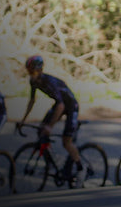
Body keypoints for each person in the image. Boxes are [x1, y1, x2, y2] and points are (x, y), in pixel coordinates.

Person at [16, 55, 85, 185]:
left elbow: (61, 105)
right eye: (29, 71)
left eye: (32, 71)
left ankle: (81, 168)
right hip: (59, 105)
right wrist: (23, 120)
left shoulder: (49, 81)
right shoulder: (33, 81)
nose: (30, 74)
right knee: (41, 130)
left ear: (39, 70)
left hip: (71, 106)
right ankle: (52, 162)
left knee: (66, 142)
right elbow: (32, 101)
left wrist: (50, 126)